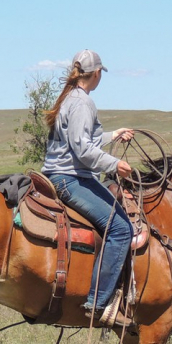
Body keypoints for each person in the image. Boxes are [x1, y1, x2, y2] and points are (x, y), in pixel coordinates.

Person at [41, 50, 135, 325]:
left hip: (62, 174)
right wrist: (113, 164)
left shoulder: (70, 98)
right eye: (100, 74)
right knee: (120, 229)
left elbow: (87, 138)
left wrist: (114, 134)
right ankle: (98, 303)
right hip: (70, 179)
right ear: (96, 74)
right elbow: (82, 149)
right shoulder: (82, 103)